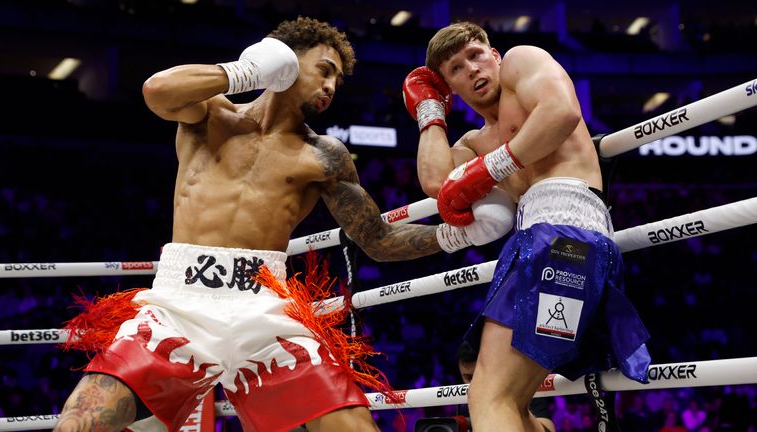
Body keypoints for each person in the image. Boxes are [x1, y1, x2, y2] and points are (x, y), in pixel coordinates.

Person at [53, 17, 514, 432]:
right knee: (80, 423)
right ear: (284, 62)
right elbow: (156, 90)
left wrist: (458, 235)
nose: (332, 86)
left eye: (338, 78)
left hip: (264, 311)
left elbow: (377, 238)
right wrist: (245, 71)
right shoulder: (210, 113)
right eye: (325, 69)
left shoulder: (324, 155)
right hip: (179, 304)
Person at [402, 21, 652, 431]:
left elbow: (563, 112)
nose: (472, 70)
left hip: (564, 233)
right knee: (514, 406)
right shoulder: (475, 141)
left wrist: (492, 168)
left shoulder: (522, 61)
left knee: (488, 395)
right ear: (451, 88)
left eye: (476, 55)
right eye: (455, 70)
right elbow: (435, 182)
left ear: (494, 54)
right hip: (543, 242)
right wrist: (430, 110)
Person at [457, 341, 555, 432]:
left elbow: (549, 430)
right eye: (468, 377)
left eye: (479, 376)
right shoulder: (459, 395)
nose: (474, 383)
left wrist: (517, 411)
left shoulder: (522, 388)